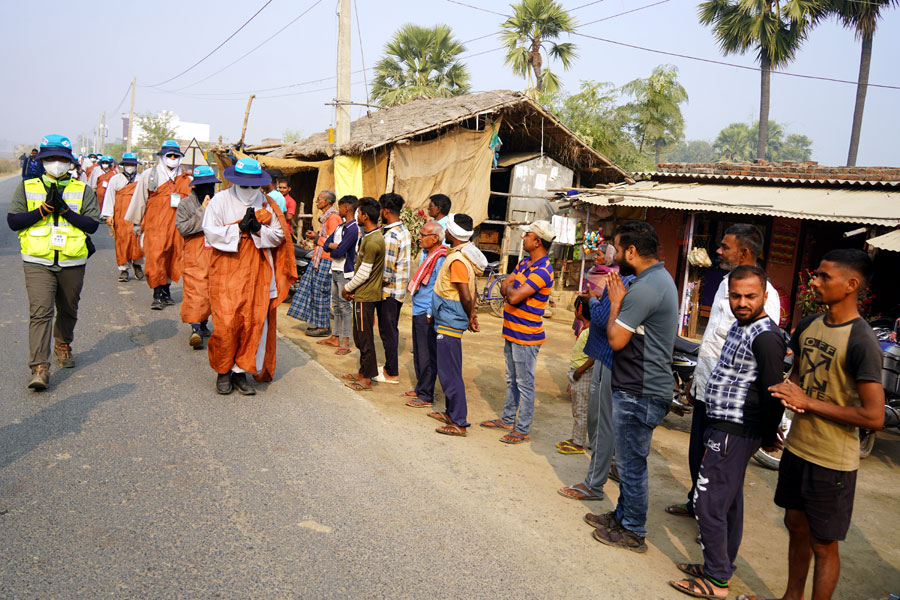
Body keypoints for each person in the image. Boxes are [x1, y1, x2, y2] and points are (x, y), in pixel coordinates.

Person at [745, 249, 883, 600]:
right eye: (815, 274)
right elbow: (797, 382)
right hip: (799, 449)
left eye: (824, 276)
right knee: (795, 526)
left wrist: (809, 403)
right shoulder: (808, 325)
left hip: (832, 459)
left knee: (824, 544)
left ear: (851, 285)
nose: (815, 282)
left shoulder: (862, 340)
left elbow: (874, 416)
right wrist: (775, 414)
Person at [668, 265, 786, 599]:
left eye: (750, 296)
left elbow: (772, 391)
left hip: (736, 429)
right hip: (723, 423)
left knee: (707, 503)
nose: (742, 302)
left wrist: (765, 433)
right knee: (728, 503)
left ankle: (717, 580)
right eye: (736, 295)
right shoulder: (740, 325)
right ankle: (718, 567)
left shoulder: (766, 335)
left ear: (765, 295)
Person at [665, 224, 782, 520]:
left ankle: (713, 522)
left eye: (724, 246)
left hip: (734, 404)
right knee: (697, 454)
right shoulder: (725, 283)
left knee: (721, 468)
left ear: (743, 252)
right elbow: (712, 339)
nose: (718, 251)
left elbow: (762, 354)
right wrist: (695, 381)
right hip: (707, 388)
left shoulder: (765, 294)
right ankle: (696, 505)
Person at [586, 220, 678, 554]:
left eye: (617, 246)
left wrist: (614, 302)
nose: (613, 252)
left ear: (632, 251)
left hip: (640, 389)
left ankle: (633, 530)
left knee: (630, 465)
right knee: (627, 459)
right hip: (639, 385)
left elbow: (616, 338)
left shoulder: (645, 287)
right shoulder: (653, 279)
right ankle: (622, 516)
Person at [6, 134, 100, 390]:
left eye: (61, 159)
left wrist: (66, 212)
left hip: (72, 260)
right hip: (37, 261)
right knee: (40, 313)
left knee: (69, 308)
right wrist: (43, 210)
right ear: (43, 160)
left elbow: (92, 225)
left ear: (70, 162)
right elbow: (13, 221)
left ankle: (63, 343)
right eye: (51, 158)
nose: (56, 163)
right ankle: (39, 367)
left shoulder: (83, 190)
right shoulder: (27, 187)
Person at [201, 158, 297, 395]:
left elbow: (278, 236)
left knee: (253, 322)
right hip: (227, 268)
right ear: (235, 181)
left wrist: (257, 230)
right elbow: (210, 233)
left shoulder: (266, 203)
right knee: (226, 323)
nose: (249, 190)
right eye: (245, 185)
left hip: (257, 271)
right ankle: (223, 371)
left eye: (254, 185)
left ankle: (240, 371)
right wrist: (238, 229)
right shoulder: (220, 201)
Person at [557, 266, 635, 501]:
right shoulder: (622, 279)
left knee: (601, 424)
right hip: (604, 357)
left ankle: (595, 483)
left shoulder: (628, 281)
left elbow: (602, 318)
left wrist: (593, 302)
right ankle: (603, 473)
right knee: (599, 422)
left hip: (609, 360)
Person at [480, 220, 555, 444]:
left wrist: (511, 285)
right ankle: (508, 419)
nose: (523, 239)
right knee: (512, 379)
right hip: (513, 331)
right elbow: (505, 286)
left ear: (537, 241)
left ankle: (521, 428)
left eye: (527, 235)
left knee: (524, 382)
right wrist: (512, 285)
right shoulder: (525, 263)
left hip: (526, 336)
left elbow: (510, 294)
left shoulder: (543, 270)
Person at [427, 213, 484, 436]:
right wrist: (471, 315)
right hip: (448, 318)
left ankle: (459, 421)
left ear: (452, 232)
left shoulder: (458, 260)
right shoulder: (459, 255)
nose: (445, 233)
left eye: (447, 230)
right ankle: (451, 413)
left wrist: (471, 315)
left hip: (450, 320)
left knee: (449, 372)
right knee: (449, 368)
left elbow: (466, 295)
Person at [125, 139, 191, 309]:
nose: (172, 158)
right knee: (155, 258)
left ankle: (166, 290)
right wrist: (136, 223)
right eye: (169, 155)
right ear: (162, 156)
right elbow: (140, 198)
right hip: (155, 225)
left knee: (173, 258)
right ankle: (156, 293)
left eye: (176, 155)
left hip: (177, 226)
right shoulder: (150, 175)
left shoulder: (185, 178)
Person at [341, 197, 385, 392]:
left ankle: (367, 378)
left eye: (358, 213)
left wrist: (347, 288)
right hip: (362, 295)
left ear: (365, 216)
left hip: (365, 296)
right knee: (360, 336)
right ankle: (363, 372)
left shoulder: (374, 241)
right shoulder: (370, 237)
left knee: (364, 338)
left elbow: (364, 273)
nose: (357, 216)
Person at [402, 220, 447, 409]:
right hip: (418, 308)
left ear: (435, 238)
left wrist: (430, 312)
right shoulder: (428, 255)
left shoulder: (441, 258)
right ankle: (421, 387)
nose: (419, 238)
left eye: (423, 235)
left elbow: (439, 288)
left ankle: (426, 395)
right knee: (419, 352)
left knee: (427, 354)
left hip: (427, 311)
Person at [287, 190, 341, 337]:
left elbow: (335, 242)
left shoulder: (333, 218)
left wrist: (317, 238)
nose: (317, 201)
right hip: (319, 258)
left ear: (327, 202)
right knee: (315, 292)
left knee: (320, 293)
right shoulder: (326, 218)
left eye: (319, 199)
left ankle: (323, 327)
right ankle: (319, 324)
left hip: (326, 259)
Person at [176, 166, 218, 349]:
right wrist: (202, 211)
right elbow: (183, 228)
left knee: (211, 290)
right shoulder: (185, 204)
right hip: (194, 253)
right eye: (204, 186)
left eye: (211, 186)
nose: (208, 190)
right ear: (195, 187)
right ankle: (195, 329)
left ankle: (203, 323)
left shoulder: (219, 202)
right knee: (195, 290)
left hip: (215, 253)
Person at [375, 193, 411, 385]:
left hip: (388, 291)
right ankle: (390, 367)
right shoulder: (403, 231)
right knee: (391, 330)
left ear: (385, 211)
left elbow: (386, 273)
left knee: (387, 332)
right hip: (398, 291)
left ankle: (391, 372)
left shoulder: (391, 236)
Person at [317, 195, 359, 355]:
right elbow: (327, 244)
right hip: (335, 268)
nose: (339, 210)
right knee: (336, 304)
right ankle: (335, 337)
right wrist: (335, 246)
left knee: (344, 306)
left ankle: (346, 342)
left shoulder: (353, 228)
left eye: (340, 207)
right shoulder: (341, 226)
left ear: (346, 208)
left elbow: (340, 250)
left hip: (344, 271)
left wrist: (334, 246)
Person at [556, 296, 593, 454]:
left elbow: (594, 356)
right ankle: (576, 437)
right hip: (578, 374)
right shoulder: (586, 330)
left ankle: (578, 443)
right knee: (578, 409)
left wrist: (579, 371)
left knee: (581, 410)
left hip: (583, 374)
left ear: (579, 310)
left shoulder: (589, 332)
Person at [100, 152, 144, 282]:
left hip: (137, 215)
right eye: (127, 164)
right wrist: (109, 215)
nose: (130, 167)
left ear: (136, 166)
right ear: (123, 165)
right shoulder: (116, 179)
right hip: (120, 215)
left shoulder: (141, 179)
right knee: (122, 242)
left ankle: (137, 265)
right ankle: (123, 269)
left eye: (132, 164)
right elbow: (109, 197)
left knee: (138, 241)